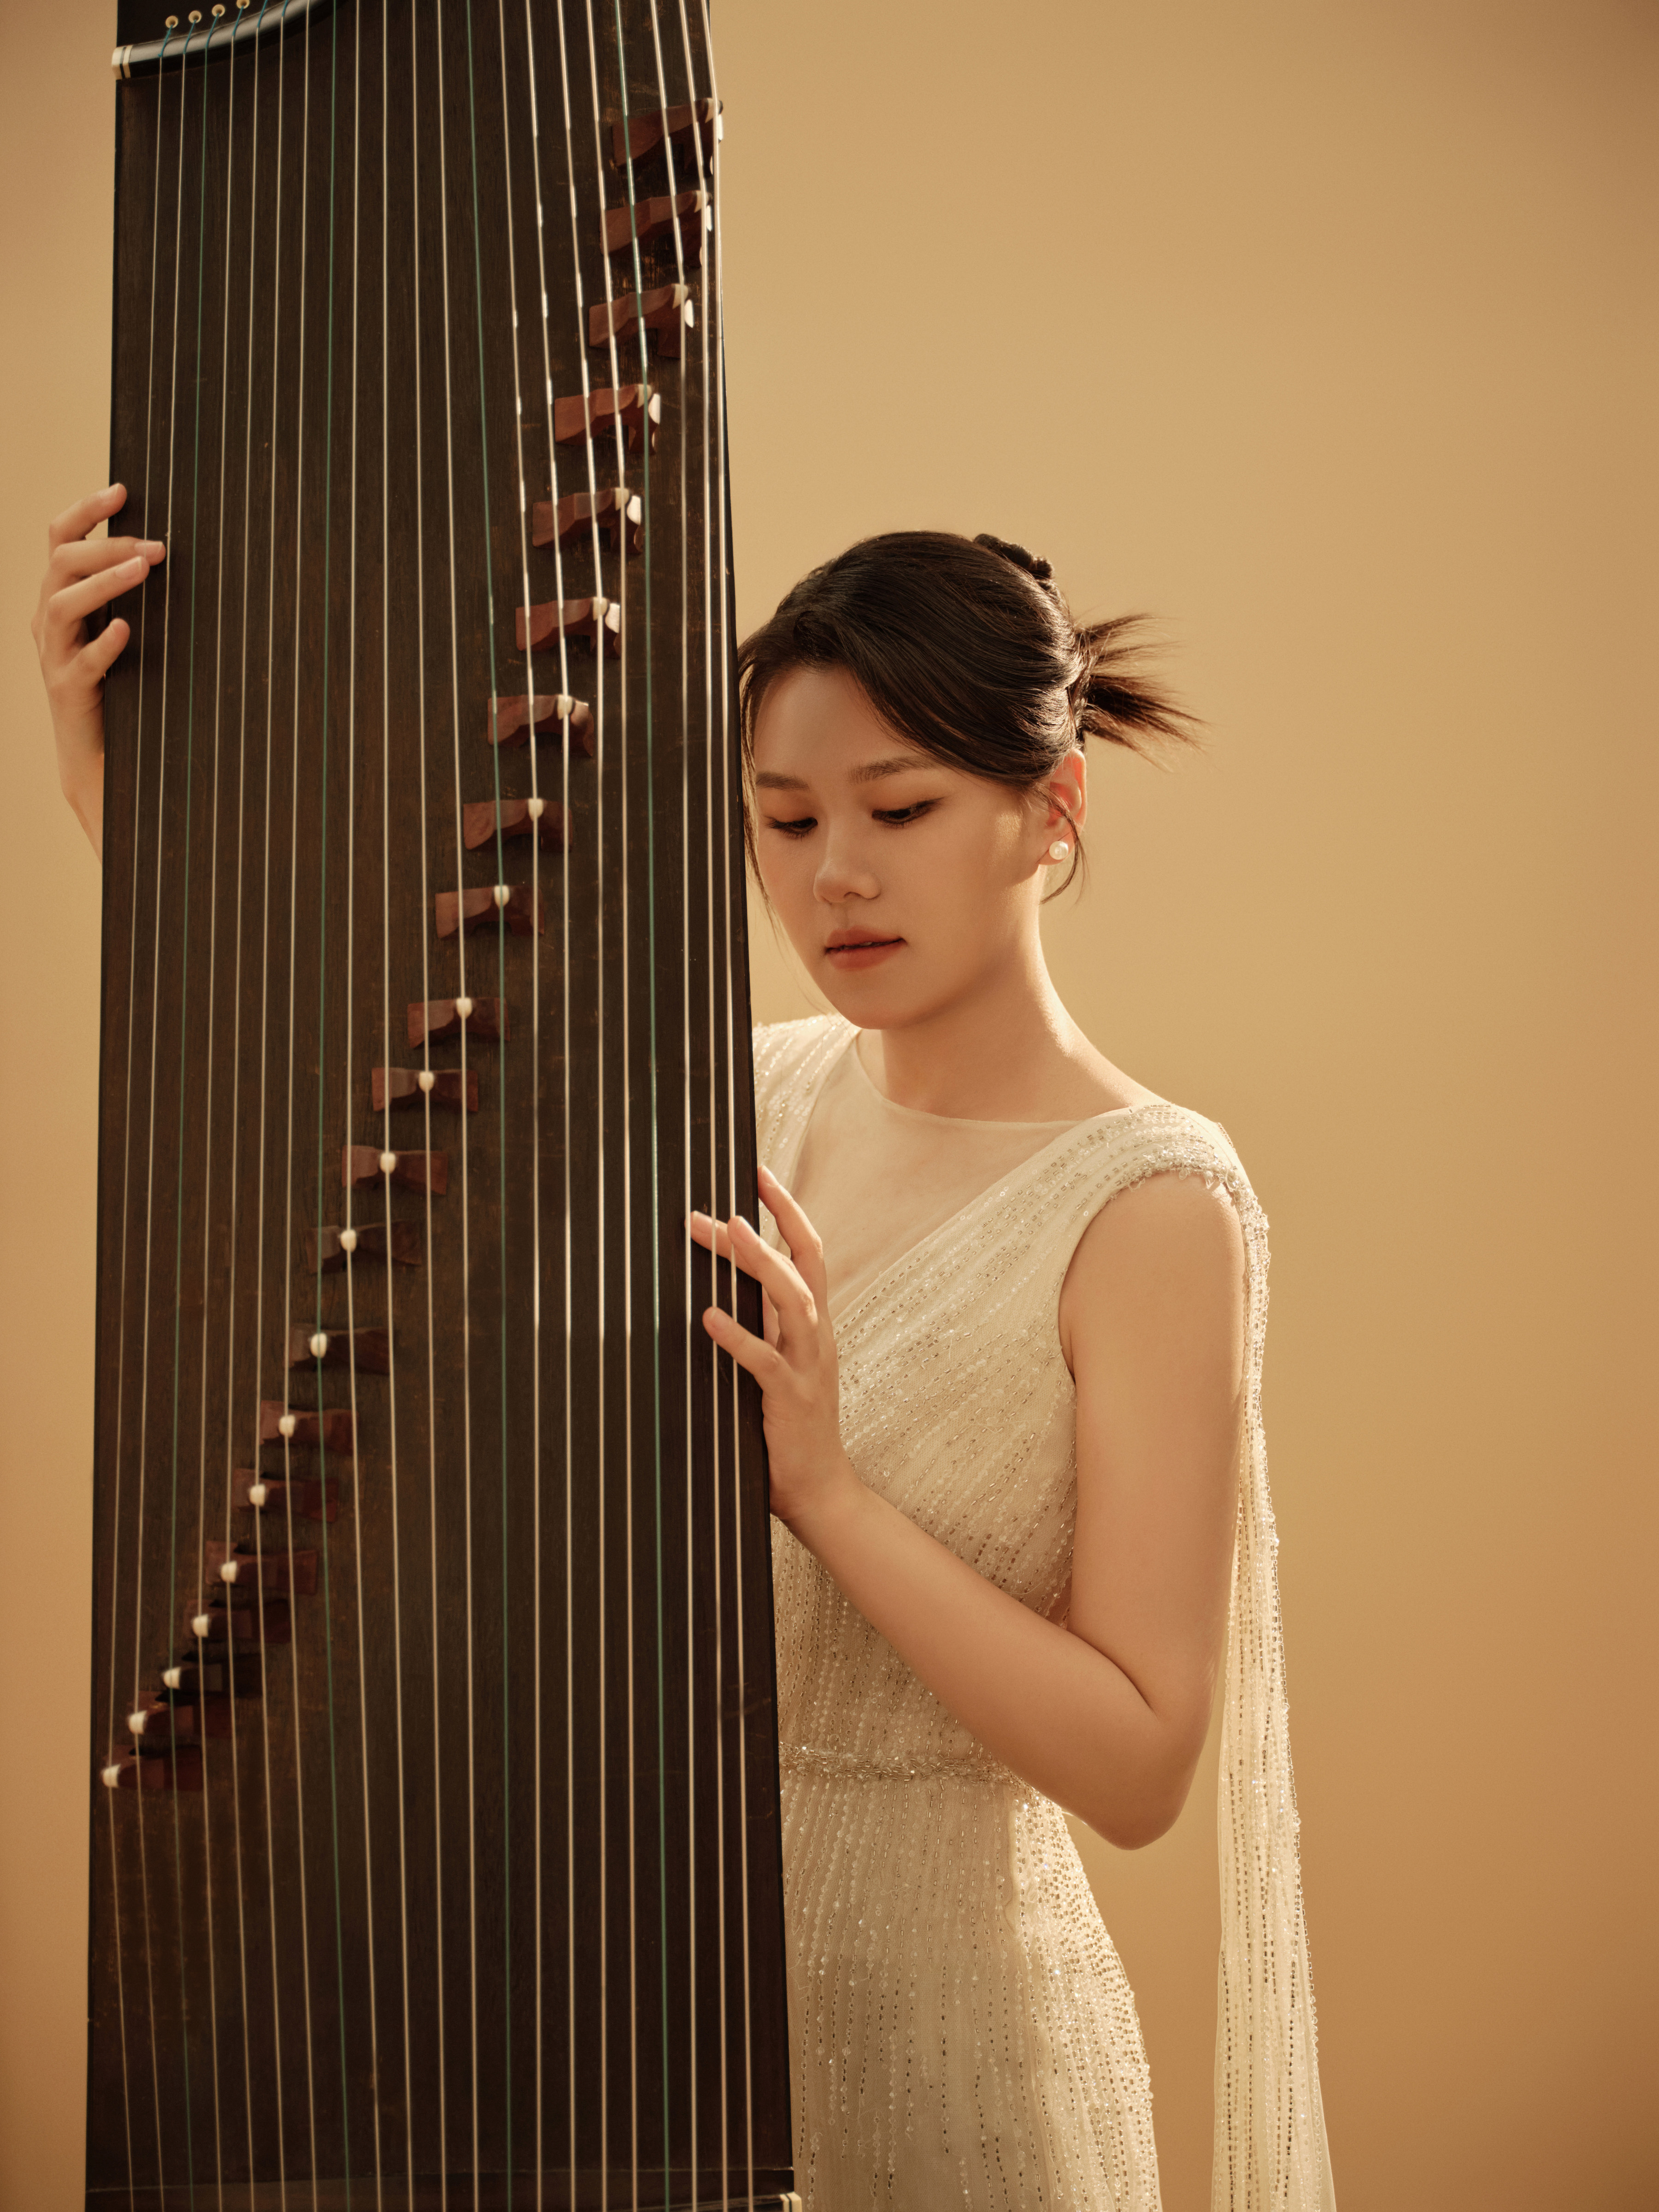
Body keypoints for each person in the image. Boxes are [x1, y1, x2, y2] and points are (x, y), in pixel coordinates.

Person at [35, 499, 1334, 2209]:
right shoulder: (752, 1089)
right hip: (646, 2020)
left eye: (901, 810)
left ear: (1051, 810)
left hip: (952, 2040)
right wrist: (113, 773)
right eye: (781, 822)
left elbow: (1144, 1763)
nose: (832, 878)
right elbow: (377, 1115)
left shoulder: (1153, 1202)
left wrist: (830, 1489)